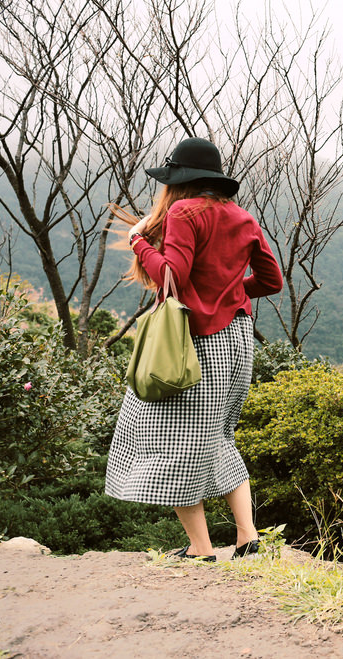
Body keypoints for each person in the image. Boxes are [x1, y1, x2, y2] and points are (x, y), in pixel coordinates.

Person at [105, 137, 283, 562]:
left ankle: (201, 548)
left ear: (180, 180)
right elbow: (271, 281)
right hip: (237, 343)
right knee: (218, 435)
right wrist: (230, 289)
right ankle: (247, 536)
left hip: (195, 343)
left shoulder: (185, 212)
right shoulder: (242, 217)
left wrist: (138, 242)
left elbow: (172, 275)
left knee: (170, 440)